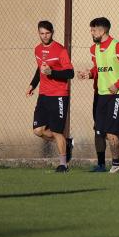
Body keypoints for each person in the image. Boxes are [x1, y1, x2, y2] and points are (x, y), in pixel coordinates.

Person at [78, 17, 119, 173]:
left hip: (118, 94)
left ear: (102, 31)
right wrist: (88, 74)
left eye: (93, 30)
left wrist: (118, 84)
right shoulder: (94, 49)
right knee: (100, 130)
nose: (91, 33)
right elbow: (98, 69)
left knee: (112, 129)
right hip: (100, 94)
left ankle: (117, 164)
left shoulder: (117, 47)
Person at [28, 20, 74, 173]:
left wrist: (52, 73)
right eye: (42, 33)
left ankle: (63, 164)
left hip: (59, 95)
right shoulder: (37, 50)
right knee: (37, 130)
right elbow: (39, 69)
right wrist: (32, 85)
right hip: (43, 95)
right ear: (38, 33)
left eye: (47, 33)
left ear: (52, 32)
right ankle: (66, 143)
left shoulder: (60, 50)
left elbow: (70, 73)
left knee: (56, 130)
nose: (45, 36)